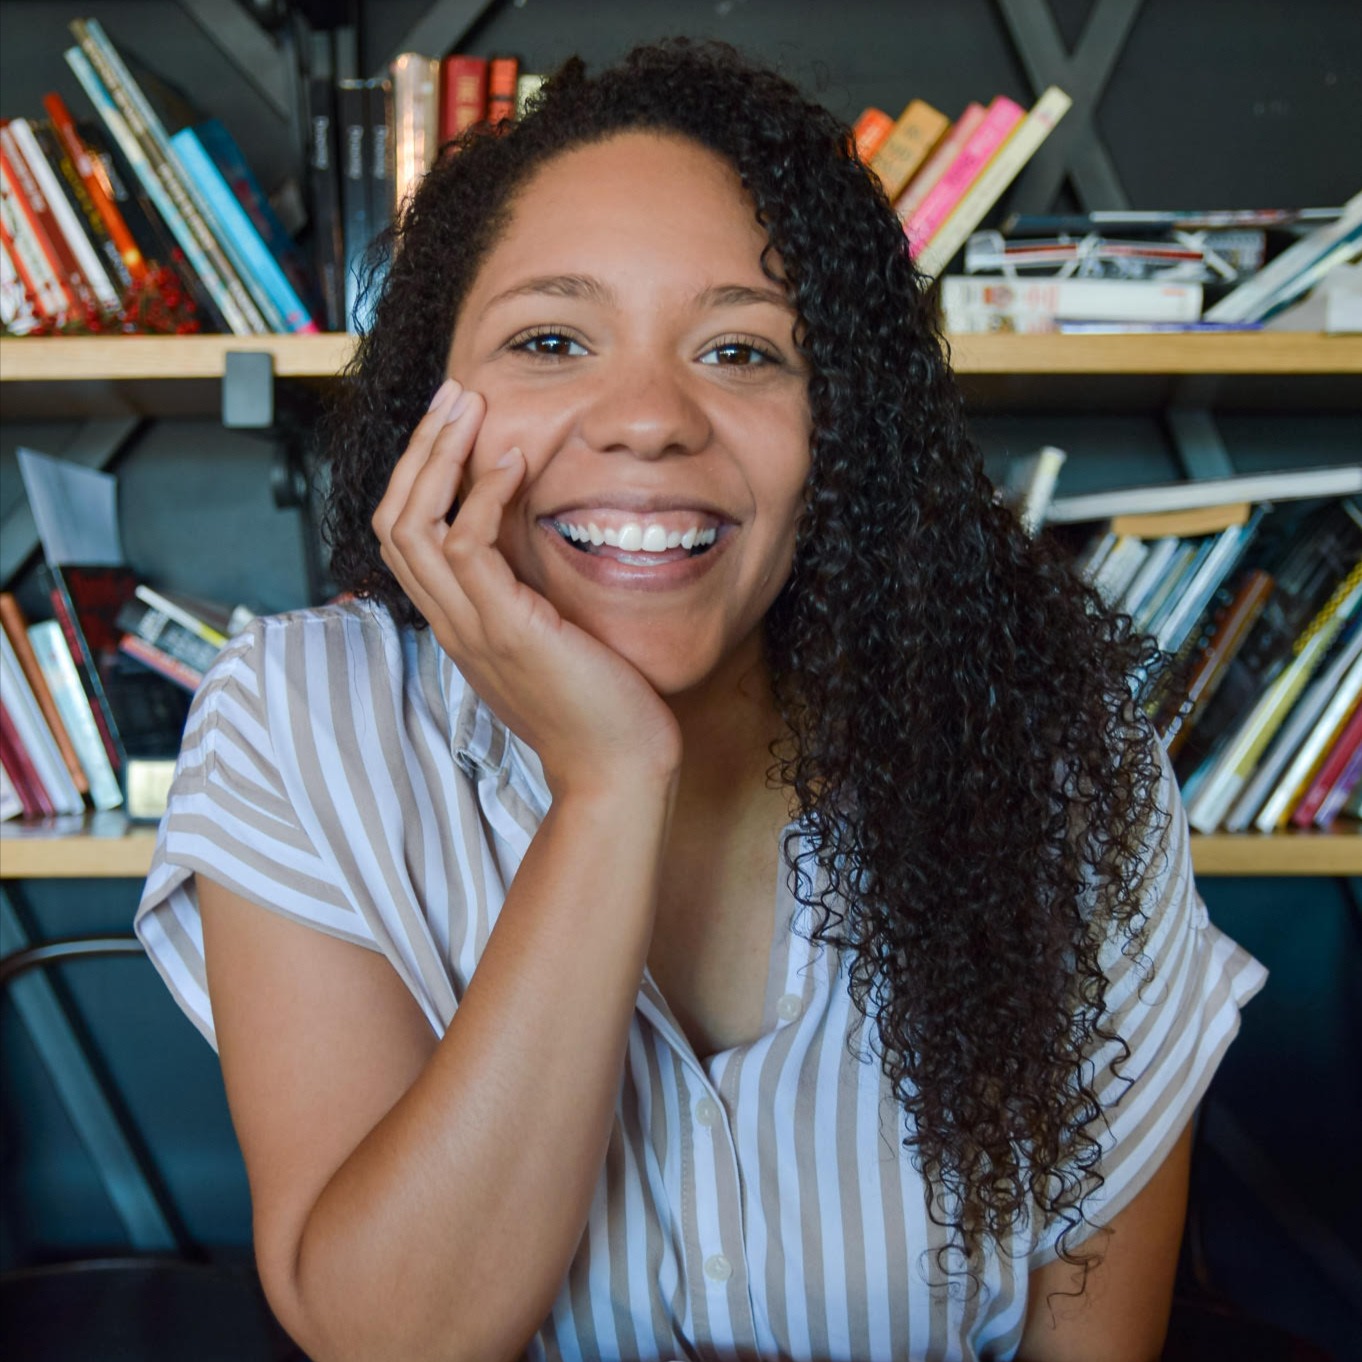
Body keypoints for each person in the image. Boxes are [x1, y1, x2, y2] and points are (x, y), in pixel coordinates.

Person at [135, 39, 1265, 1362]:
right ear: (431, 404)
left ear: (841, 431)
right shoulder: (299, 719)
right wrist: (609, 785)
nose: (649, 420)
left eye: (739, 350)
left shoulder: (1060, 765)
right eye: (550, 340)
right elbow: (392, 1338)